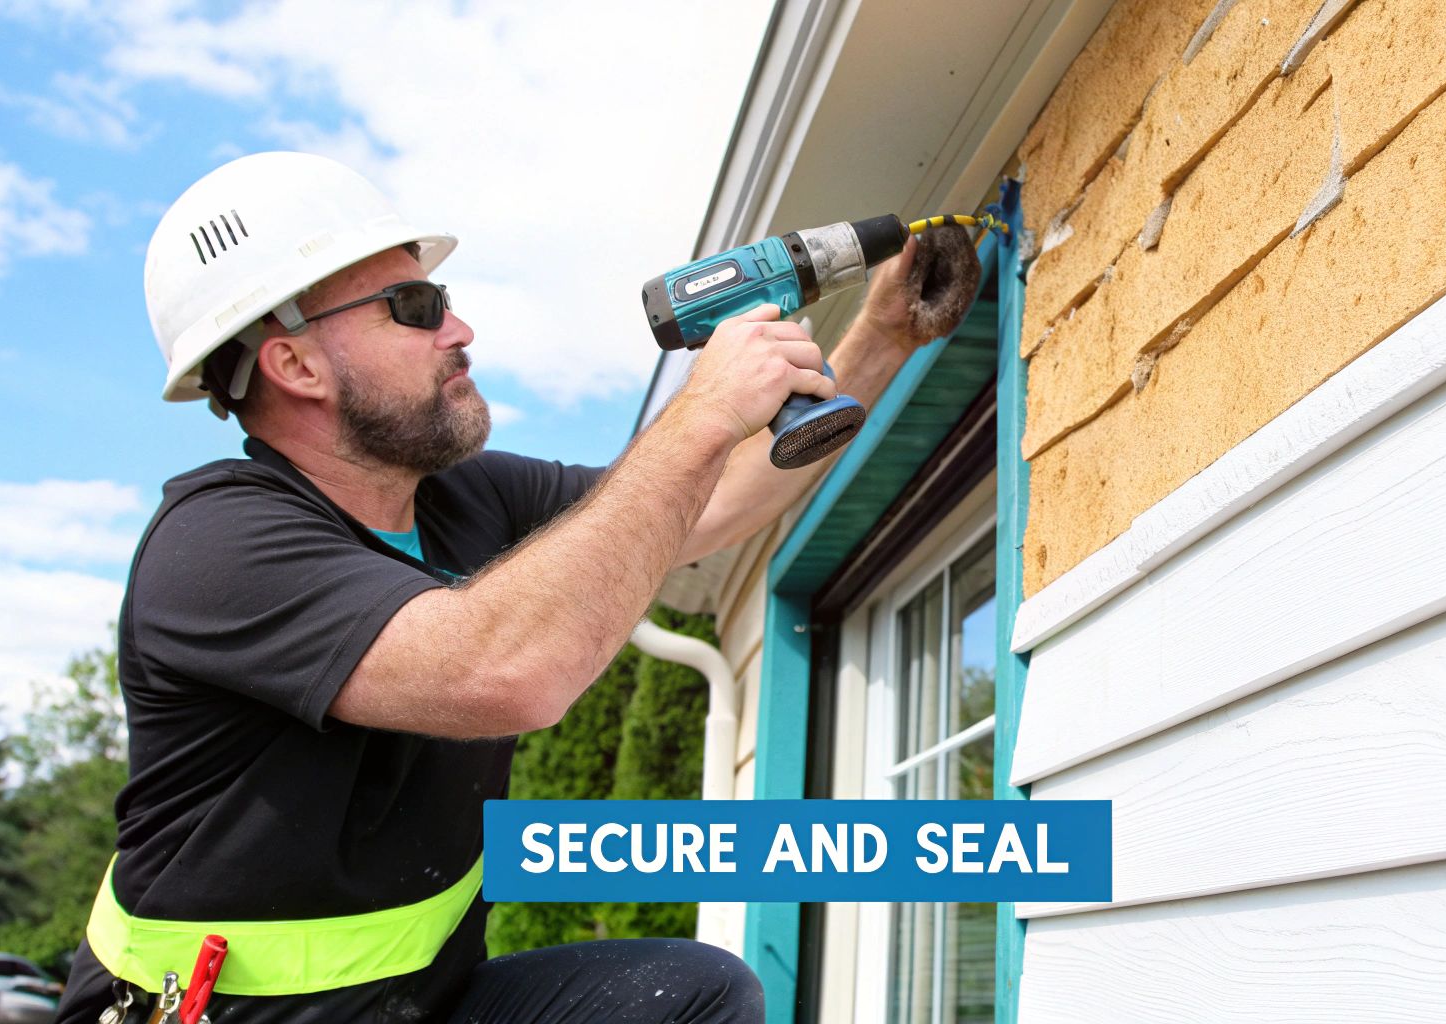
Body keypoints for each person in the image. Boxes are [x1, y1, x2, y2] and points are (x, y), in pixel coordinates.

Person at [53, 152, 939, 1024]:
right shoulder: (217, 545)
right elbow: (506, 673)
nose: (460, 329)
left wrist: (885, 336)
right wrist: (704, 409)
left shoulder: (468, 496)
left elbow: (701, 507)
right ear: (297, 366)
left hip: (417, 1001)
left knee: (694, 992)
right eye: (415, 307)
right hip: (224, 1014)